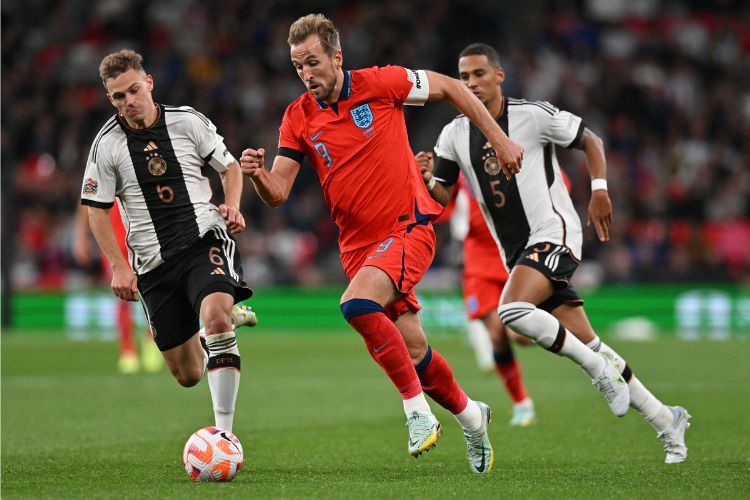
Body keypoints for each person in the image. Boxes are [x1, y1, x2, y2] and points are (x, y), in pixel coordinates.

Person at [240, 14, 523, 474]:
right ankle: (473, 416)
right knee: (415, 352)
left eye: (313, 62)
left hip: (407, 227)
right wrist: (257, 175)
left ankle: (416, 414)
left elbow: (451, 87)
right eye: (297, 67)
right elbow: (278, 193)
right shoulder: (297, 117)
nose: (306, 74)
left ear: (336, 57)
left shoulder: (383, 83)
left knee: (355, 305)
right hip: (358, 248)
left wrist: (499, 137)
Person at [421, 43, 691, 464]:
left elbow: (591, 140)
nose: (471, 83)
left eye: (478, 73)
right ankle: (666, 419)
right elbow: (440, 196)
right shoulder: (453, 134)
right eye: (464, 76)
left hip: (555, 233)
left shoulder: (531, 114)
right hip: (516, 252)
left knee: (510, 310)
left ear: (499, 75)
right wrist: (426, 178)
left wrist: (600, 191)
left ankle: (598, 373)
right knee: (591, 343)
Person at [80, 49, 255, 433]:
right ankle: (219, 327)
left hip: (201, 241)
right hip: (152, 266)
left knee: (215, 317)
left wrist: (232, 205)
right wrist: (119, 265)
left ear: (149, 83)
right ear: (110, 99)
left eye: (133, 90)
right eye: (118, 97)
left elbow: (230, 167)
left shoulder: (188, 121)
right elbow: (96, 210)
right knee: (188, 374)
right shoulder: (106, 145)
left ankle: (225, 434)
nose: (129, 102)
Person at [427, 172, 536, 427]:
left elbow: (558, 179)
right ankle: (522, 403)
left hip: (515, 257)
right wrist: (429, 181)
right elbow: (442, 204)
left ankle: (543, 329)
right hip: (478, 263)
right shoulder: (459, 162)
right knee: (497, 333)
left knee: (522, 336)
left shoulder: (513, 153)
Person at [73, 203, 163, 374]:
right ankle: (127, 349)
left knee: (152, 293)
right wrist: (80, 237)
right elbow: (87, 200)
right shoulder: (102, 176)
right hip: (114, 245)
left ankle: (151, 340)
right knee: (122, 296)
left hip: (144, 240)